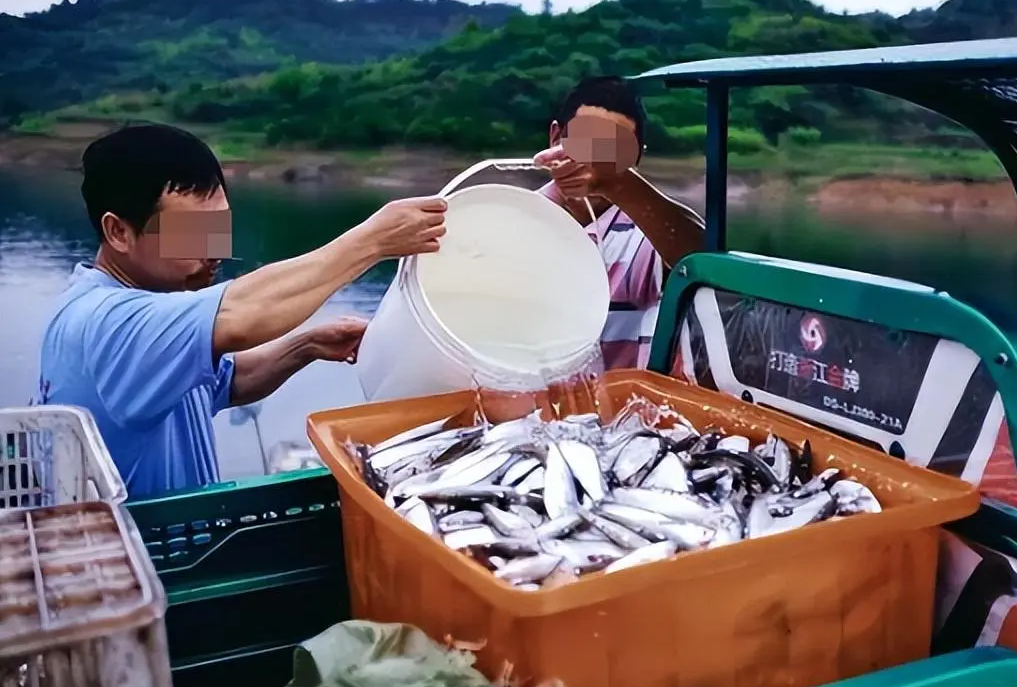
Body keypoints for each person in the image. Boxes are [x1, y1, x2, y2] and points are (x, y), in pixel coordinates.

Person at [38, 123, 447, 499]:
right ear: (119, 232)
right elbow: (242, 315)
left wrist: (304, 346)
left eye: (219, 230)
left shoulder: (146, 314)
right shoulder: (108, 323)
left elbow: (222, 383)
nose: (216, 252)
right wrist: (371, 243)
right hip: (142, 563)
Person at [533, 76, 705, 370]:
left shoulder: (648, 230)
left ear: (636, 159)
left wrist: (617, 183)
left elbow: (702, 260)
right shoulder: (515, 216)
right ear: (555, 138)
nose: (595, 156)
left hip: (627, 406)